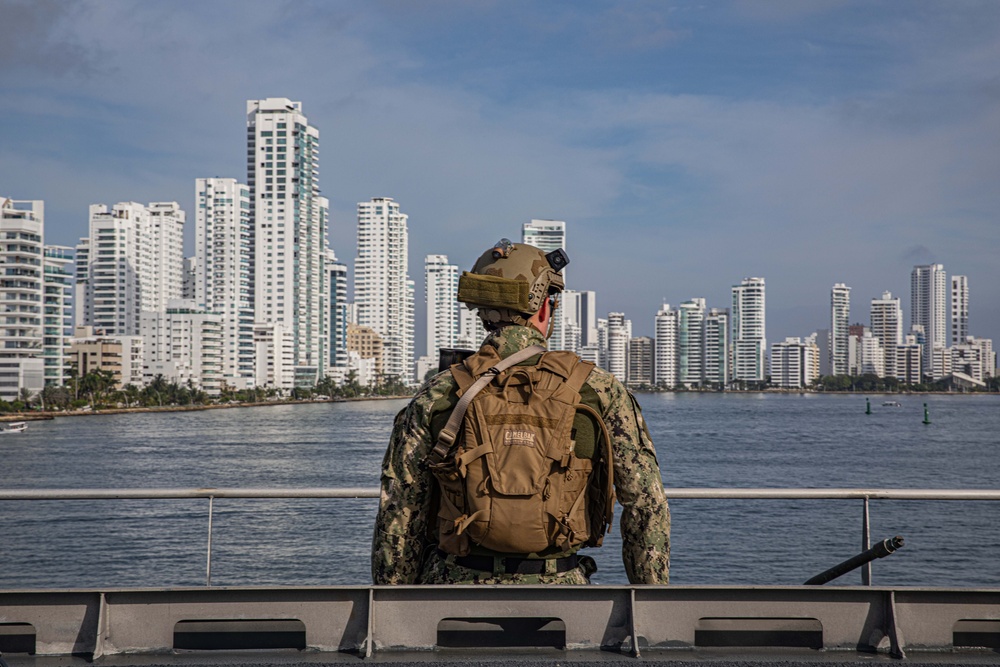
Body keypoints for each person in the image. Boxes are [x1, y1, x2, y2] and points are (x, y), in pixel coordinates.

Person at [371, 240, 669, 585]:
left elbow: (399, 509)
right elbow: (646, 505)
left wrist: (392, 607)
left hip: (451, 591)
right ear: (544, 308)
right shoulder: (599, 389)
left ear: (483, 312)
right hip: (563, 594)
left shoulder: (438, 392)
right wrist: (649, 603)